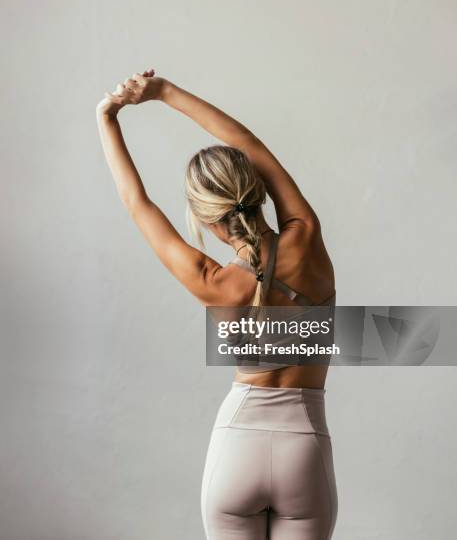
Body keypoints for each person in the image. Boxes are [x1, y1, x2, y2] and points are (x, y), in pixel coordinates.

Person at [97, 69, 338, 540]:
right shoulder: (306, 238)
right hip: (305, 446)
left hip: (236, 447)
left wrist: (108, 118)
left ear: (204, 219)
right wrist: (165, 92)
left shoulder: (212, 282)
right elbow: (247, 141)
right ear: (258, 190)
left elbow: (136, 202)